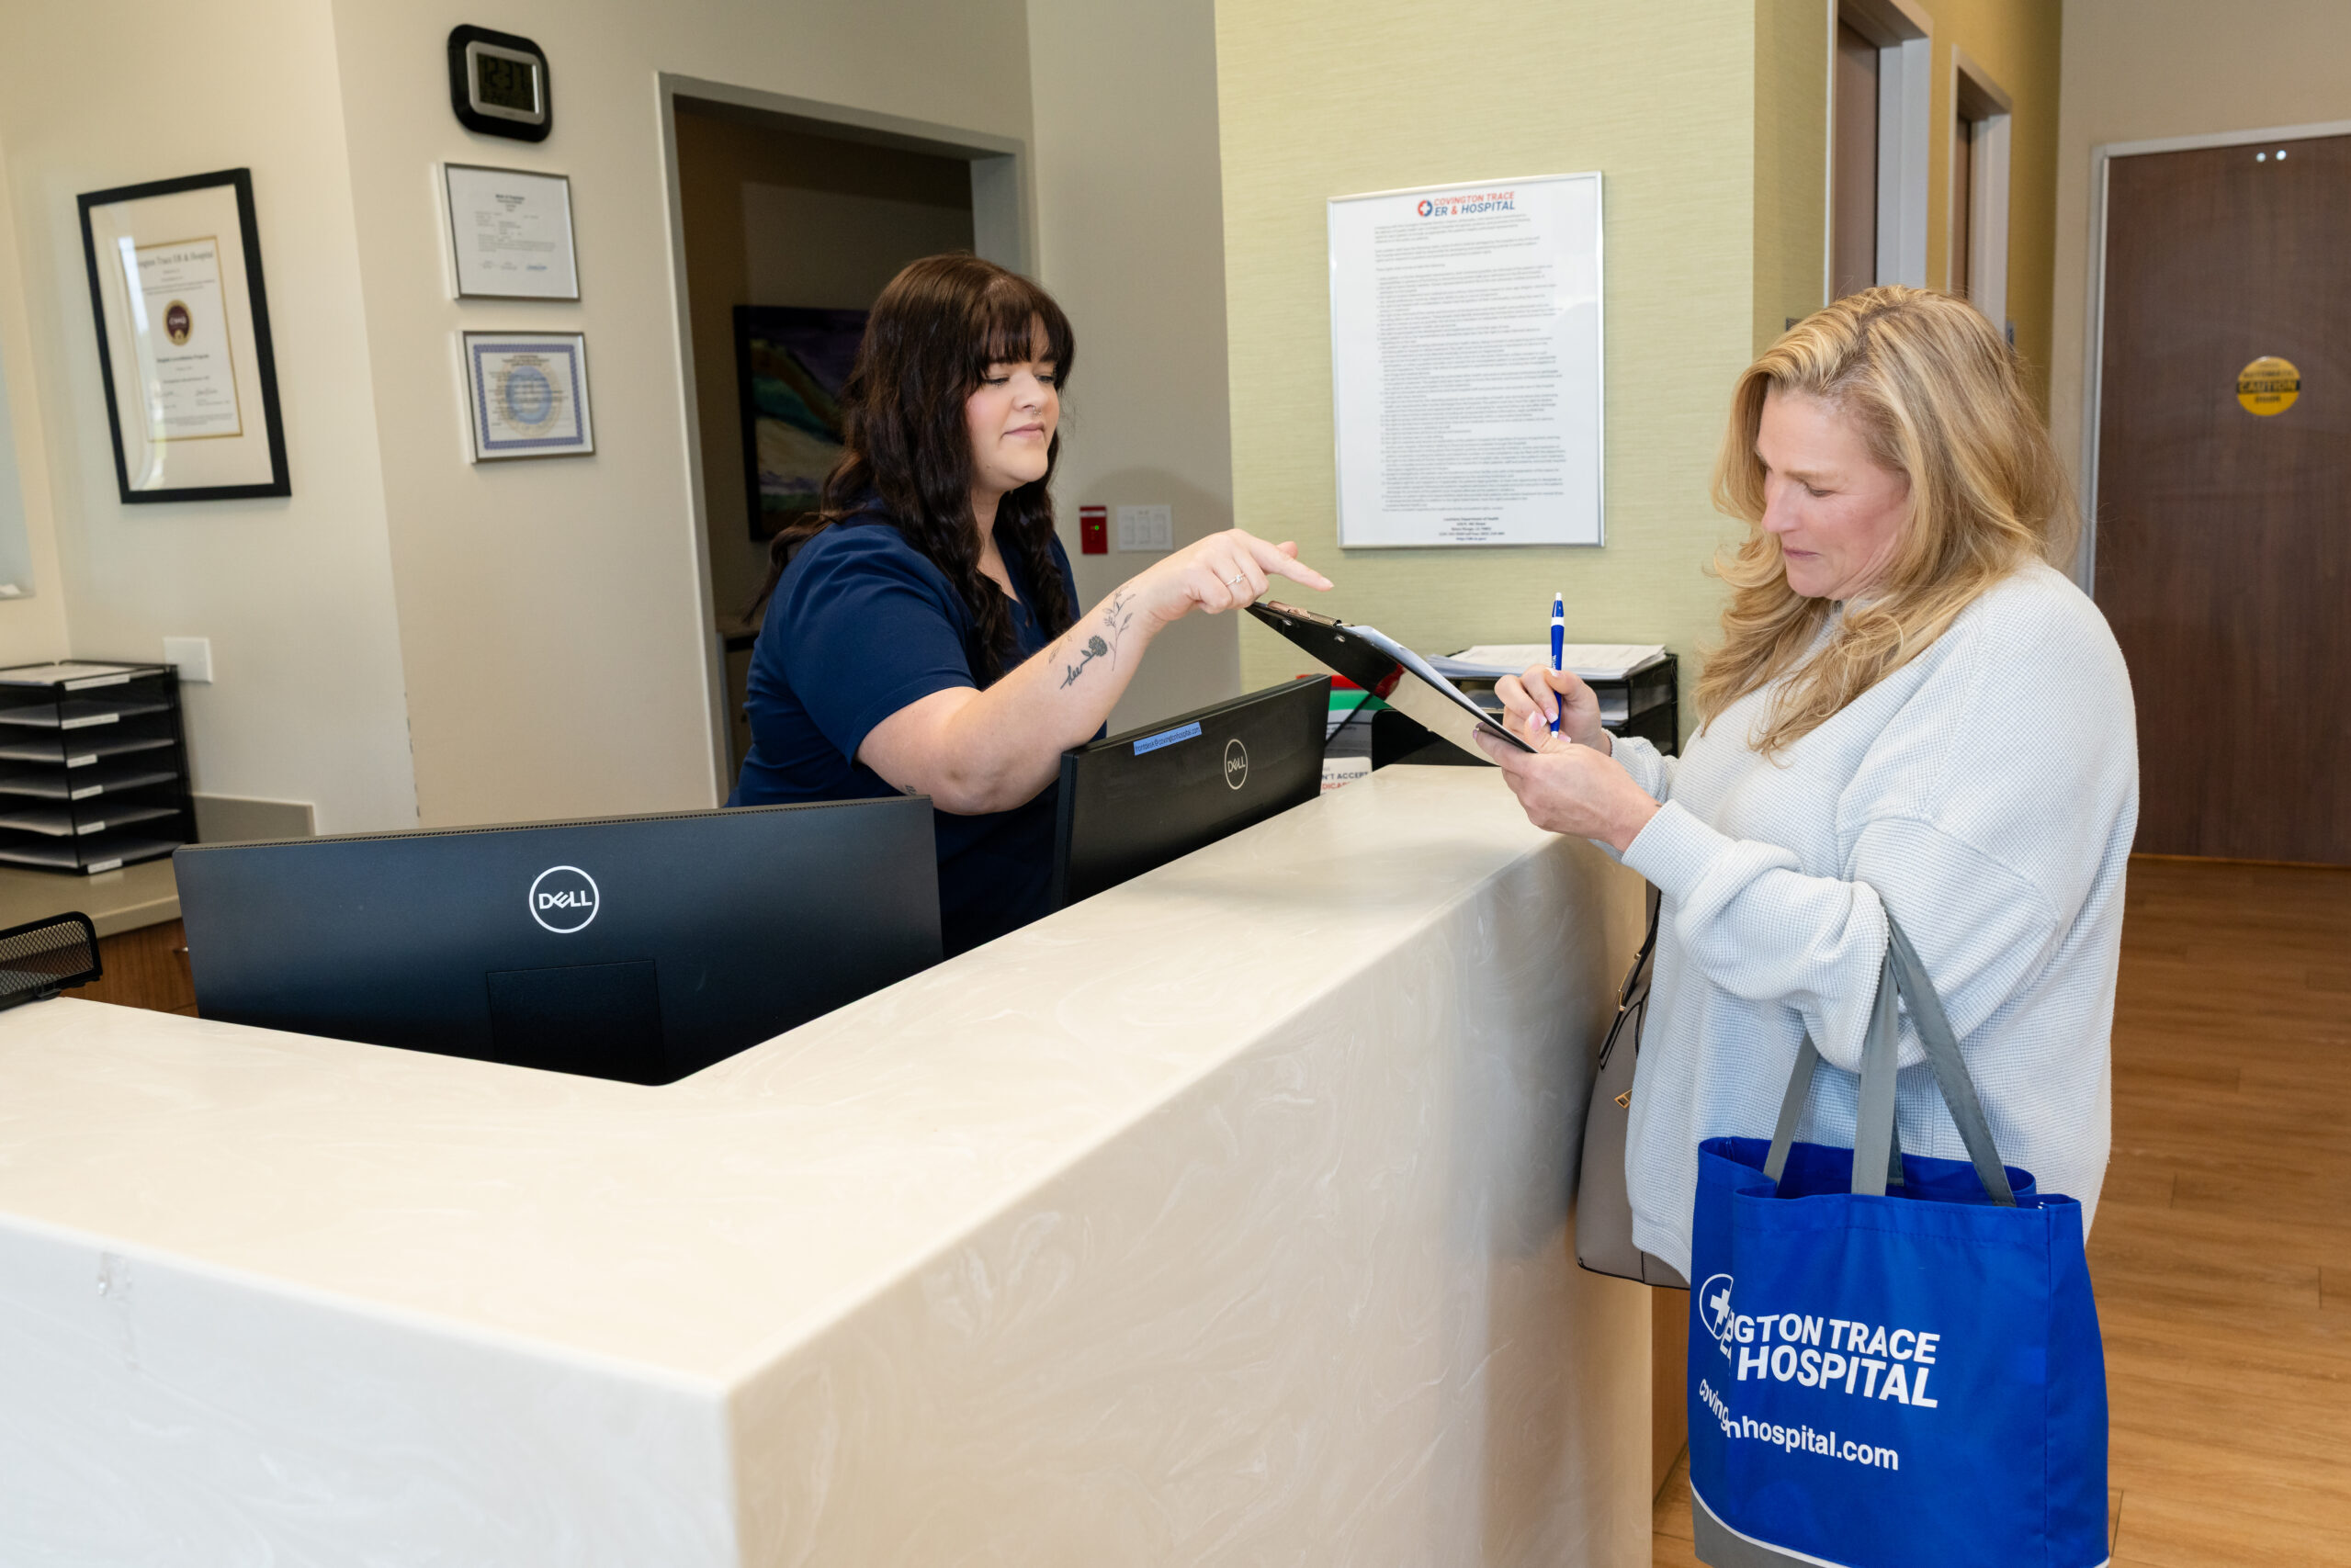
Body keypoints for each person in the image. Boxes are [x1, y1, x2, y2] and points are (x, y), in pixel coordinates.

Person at [1476, 287, 2138, 1279]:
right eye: (1769, 472)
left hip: (1900, 1234)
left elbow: (1889, 995)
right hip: (1785, 1198)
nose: (1773, 514)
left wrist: (1639, 825)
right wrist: (1615, 768)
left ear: (1942, 484)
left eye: (1816, 489)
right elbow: (1782, 828)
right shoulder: (1839, 608)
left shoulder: (2021, 653)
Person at [729, 254, 1330, 956]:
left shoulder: (1029, 553)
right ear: (915, 396)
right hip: (861, 984)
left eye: (1045, 376)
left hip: (1017, 950)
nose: (1036, 399)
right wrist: (1143, 601)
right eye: (996, 377)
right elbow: (967, 771)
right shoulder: (851, 575)